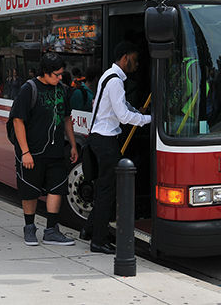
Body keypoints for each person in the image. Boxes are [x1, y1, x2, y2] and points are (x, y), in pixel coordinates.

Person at [83, 42, 151, 254]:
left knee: (104, 187)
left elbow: (119, 107)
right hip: (106, 140)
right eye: (134, 58)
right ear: (124, 58)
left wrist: (137, 111)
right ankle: (98, 241)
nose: (137, 64)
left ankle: (89, 230)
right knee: (107, 191)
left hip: (99, 137)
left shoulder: (109, 76)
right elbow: (123, 116)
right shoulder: (115, 82)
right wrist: (149, 119)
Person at [11, 52, 79, 247]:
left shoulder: (62, 90)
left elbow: (67, 118)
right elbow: (18, 120)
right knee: (30, 190)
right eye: (56, 74)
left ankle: (51, 230)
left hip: (56, 150)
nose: (60, 78)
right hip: (32, 152)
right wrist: (25, 152)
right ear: (45, 72)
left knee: (56, 188)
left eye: (61, 74)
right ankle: (30, 227)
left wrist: (73, 144)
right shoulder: (29, 89)